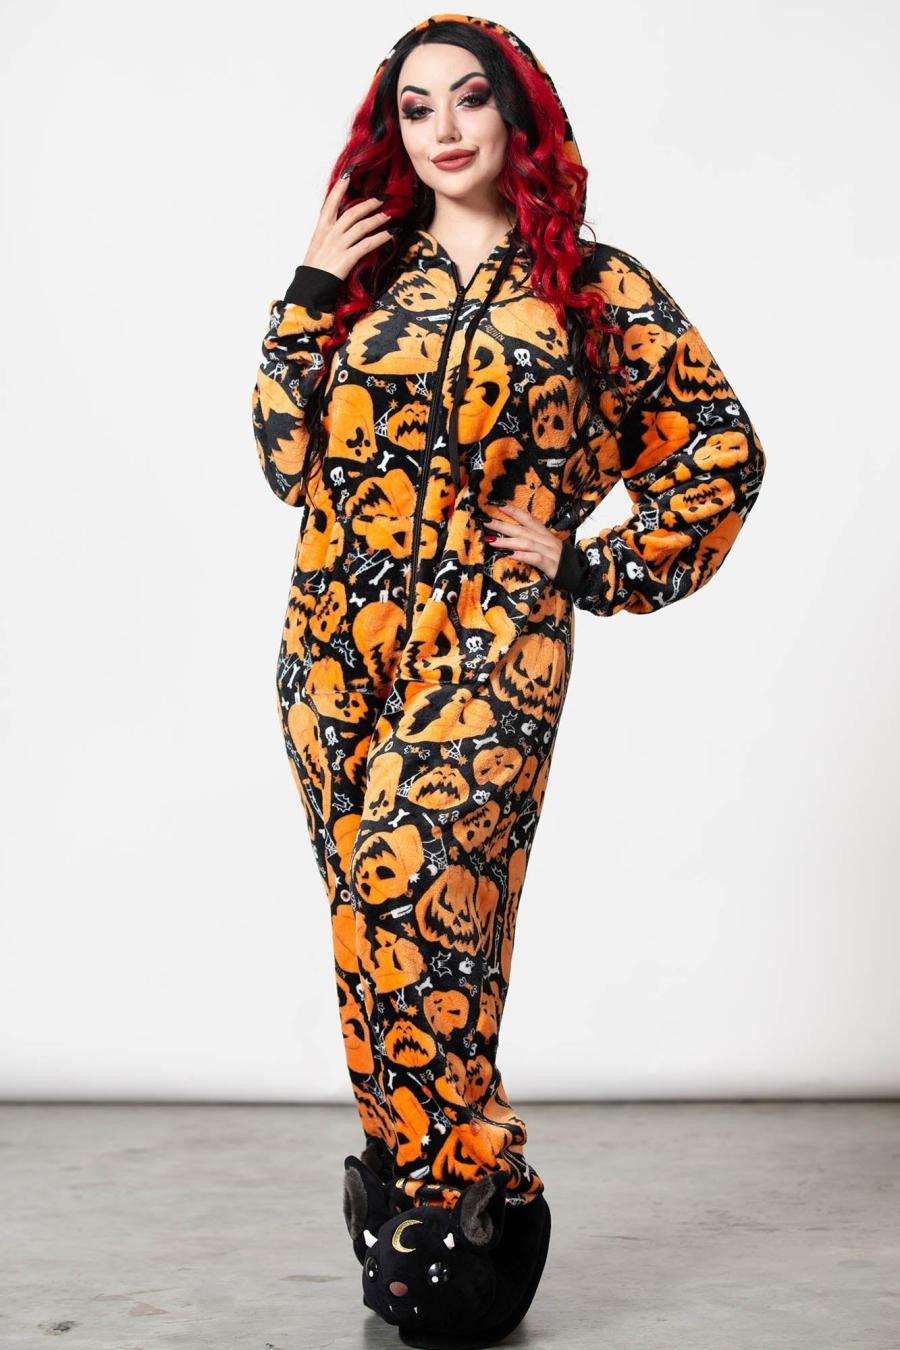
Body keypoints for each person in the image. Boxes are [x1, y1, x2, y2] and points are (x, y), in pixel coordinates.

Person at [251, 12, 766, 1343]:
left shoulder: (591, 286)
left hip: (492, 639)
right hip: (333, 644)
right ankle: (425, 1195)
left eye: (470, 98)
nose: (444, 128)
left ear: (518, 114)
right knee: (379, 932)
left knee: (414, 892)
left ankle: (480, 1192)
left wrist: (593, 564)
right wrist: (306, 293)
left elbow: (719, 449)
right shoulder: (365, 277)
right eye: (415, 107)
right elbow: (287, 462)